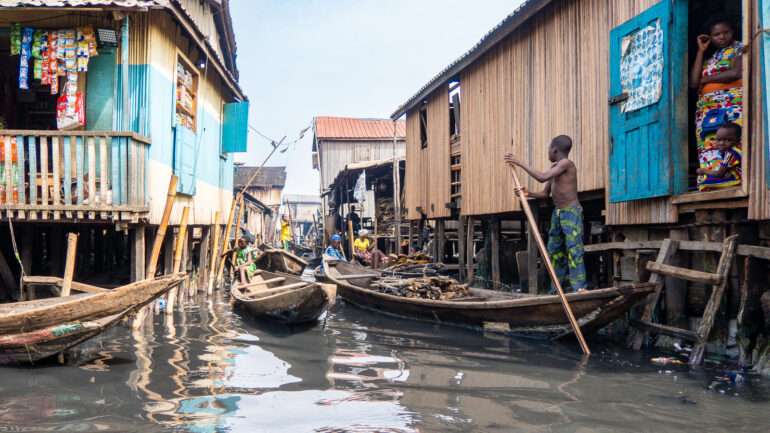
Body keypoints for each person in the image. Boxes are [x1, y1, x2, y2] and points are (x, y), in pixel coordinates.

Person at [504, 135, 586, 293]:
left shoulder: (566, 164)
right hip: (558, 213)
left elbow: (542, 177)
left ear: (554, 150)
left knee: (574, 250)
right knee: (554, 251)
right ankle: (556, 290)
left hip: (571, 212)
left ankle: (580, 288)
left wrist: (518, 162)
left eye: (548, 148)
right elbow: (545, 193)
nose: (547, 152)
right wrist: (528, 193)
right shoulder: (555, 167)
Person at [690, 18, 743, 191]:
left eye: (725, 32)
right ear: (710, 37)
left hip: (730, 104)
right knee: (711, 142)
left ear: (732, 32)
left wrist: (706, 79)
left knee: (730, 141)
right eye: (716, 34)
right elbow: (693, 82)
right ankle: (712, 179)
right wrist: (700, 51)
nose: (721, 37)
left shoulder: (738, 48)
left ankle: (732, 178)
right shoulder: (710, 58)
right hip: (707, 108)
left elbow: (736, 73)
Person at [697, 123, 742, 191]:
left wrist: (703, 171)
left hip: (737, 179)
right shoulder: (730, 151)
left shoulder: (731, 154)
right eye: (718, 140)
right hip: (731, 175)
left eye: (728, 140)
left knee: (703, 184)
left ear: (737, 141)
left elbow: (719, 173)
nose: (721, 143)